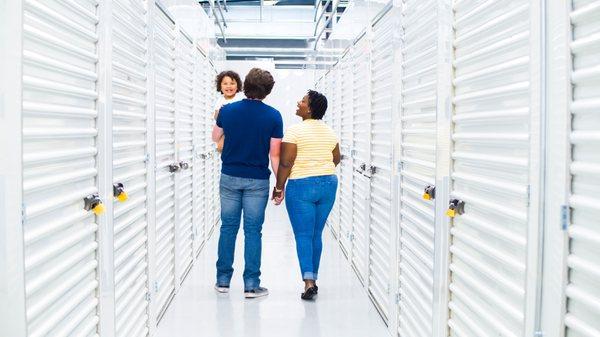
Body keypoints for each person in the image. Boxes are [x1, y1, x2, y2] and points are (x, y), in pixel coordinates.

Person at [212, 68, 283, 298]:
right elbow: (275, 155)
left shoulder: (227, 110)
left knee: (228, 227)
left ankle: (223, 281)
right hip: (258, 181)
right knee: (253, 231)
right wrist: (280, 186)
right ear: (267, 91)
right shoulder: (274, 116)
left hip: (230, 176)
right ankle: (251, 285)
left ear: (245, 86)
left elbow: (215, 137)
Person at [272, 90, 340, 300]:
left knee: (303, 235)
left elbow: (285, 162)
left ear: (309, 109)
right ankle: (314, 279)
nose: (298, 102)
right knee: (316, 233)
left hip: (302, 185)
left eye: (302, 101)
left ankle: (308, 282)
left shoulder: (294, 131)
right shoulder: (330, 132)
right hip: (328, 183)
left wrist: (279, 187)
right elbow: (336, 158)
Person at [213, 70, 243, 152]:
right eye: (225, 84)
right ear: (220, 86)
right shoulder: (220, 100)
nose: (228, 86)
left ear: (237, 86)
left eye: (232, 83)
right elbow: (216, 116)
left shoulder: (239, 99)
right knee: (221, 148)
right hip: (224, 130)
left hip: (237, 129)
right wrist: (220, 113)